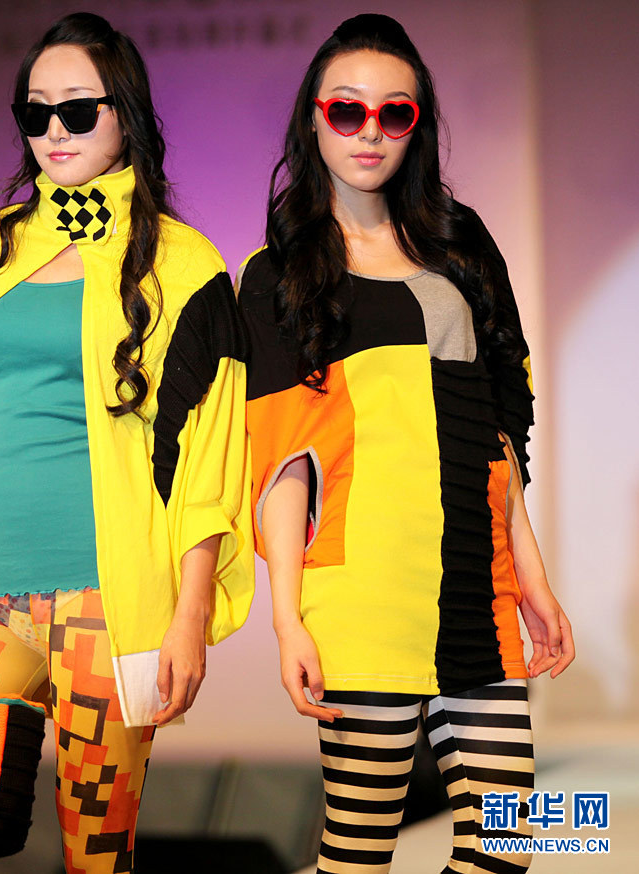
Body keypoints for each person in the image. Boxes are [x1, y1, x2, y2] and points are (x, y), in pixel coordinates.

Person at [0, 13, 253, 873]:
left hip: (109, 607)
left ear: (126, 113)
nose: (55, 129)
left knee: (98, 853)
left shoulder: (185, 266)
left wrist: (191, 615)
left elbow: (208, 458)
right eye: (36, 111)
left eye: (79, 110)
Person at [236, 14, 574, 874]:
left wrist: (531, 578)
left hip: (473, 587)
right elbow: (282, 466)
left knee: (508, 843)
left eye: (395, 113)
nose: (370, 132)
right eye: (347, 110)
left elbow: (497, 428)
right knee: (359, 853)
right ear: (314, 119)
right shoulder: (279, 275)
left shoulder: (460, 247)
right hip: (362, 595)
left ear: (416, 125)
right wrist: (286, 620)